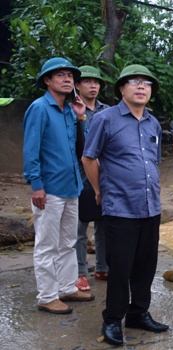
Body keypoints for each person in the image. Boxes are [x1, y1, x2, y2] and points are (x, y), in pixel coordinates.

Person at [82, 64, 168, 345]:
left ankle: (138, 313)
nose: (141, 87)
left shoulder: (154, 123)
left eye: (147, 83)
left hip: (150, 206)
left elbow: (153, 162)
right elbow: (89, 158)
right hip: (120, 207)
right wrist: (98, 190)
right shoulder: (106, 119)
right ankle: (112, 320)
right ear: (121, 88)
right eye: (134, 82)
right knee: (120, 267)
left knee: (146, 265)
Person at [23, 57, 95, 315]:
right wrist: (36, 185)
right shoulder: (40, 108)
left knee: (67, 243)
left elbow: (82, 149)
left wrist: (80, 118)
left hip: (71, 186)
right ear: (47, 80)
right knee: (47, 245)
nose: (67, 79)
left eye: (70, 76)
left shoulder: (70, 110)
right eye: (60, 75)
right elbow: (31, 150)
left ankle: (66, 286)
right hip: (49, 189)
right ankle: (47, 296)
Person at [73, 65, 109, 291]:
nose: (93, 85)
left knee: (103, 224)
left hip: (104, 173)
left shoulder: (107, 110)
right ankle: (79, 272)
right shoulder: (71, 111)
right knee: (79, 227)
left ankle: (103, 267)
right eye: (87, 82)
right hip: (78, 175)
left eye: (96, 82)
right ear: (77, 85)